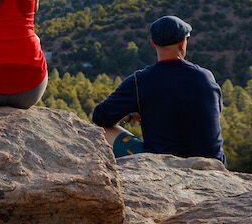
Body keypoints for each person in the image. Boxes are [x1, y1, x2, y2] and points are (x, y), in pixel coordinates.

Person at [90, 15, 225, 164]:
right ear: (182, 43)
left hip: (165, 166)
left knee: (106, 131)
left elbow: (99, 117)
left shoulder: (139, 81)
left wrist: (129, 116)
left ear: (153, 44)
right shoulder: (205, 77)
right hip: (213, 166)